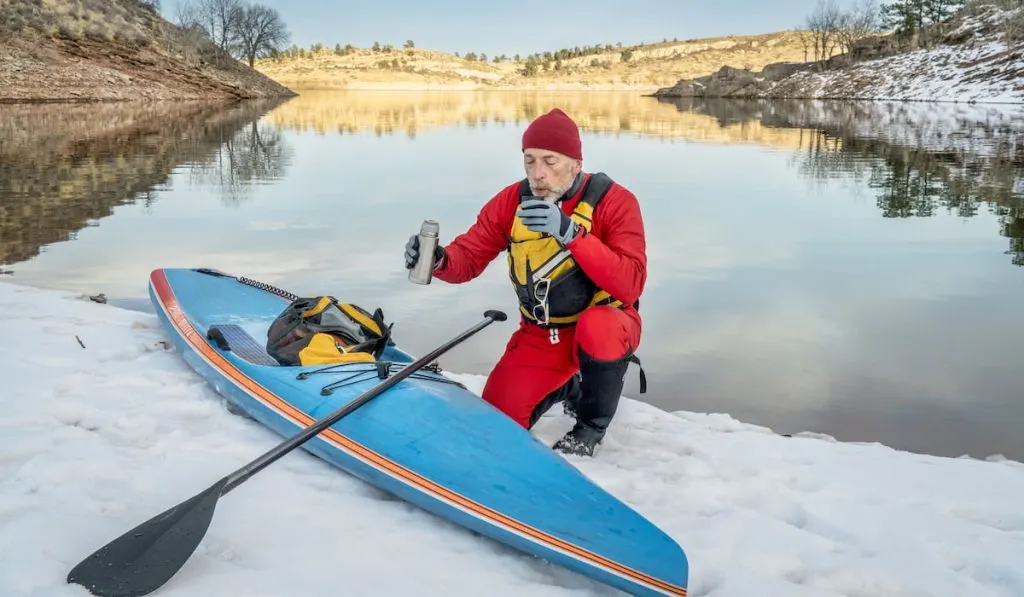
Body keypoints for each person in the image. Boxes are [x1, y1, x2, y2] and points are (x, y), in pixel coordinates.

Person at [403, 108, 647, 457]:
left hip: (607, 323)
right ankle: (568, 385)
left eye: (551, 161)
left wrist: (570, 233)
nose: (538, 174)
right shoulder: (512, 202)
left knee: (600, 325)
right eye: (529, 161)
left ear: (576, 163)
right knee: (494, 424)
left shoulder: (615, 201)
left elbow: (631, 285)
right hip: (544, 332)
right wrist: (439, 260)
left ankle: (590, 425)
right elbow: (469, 257)